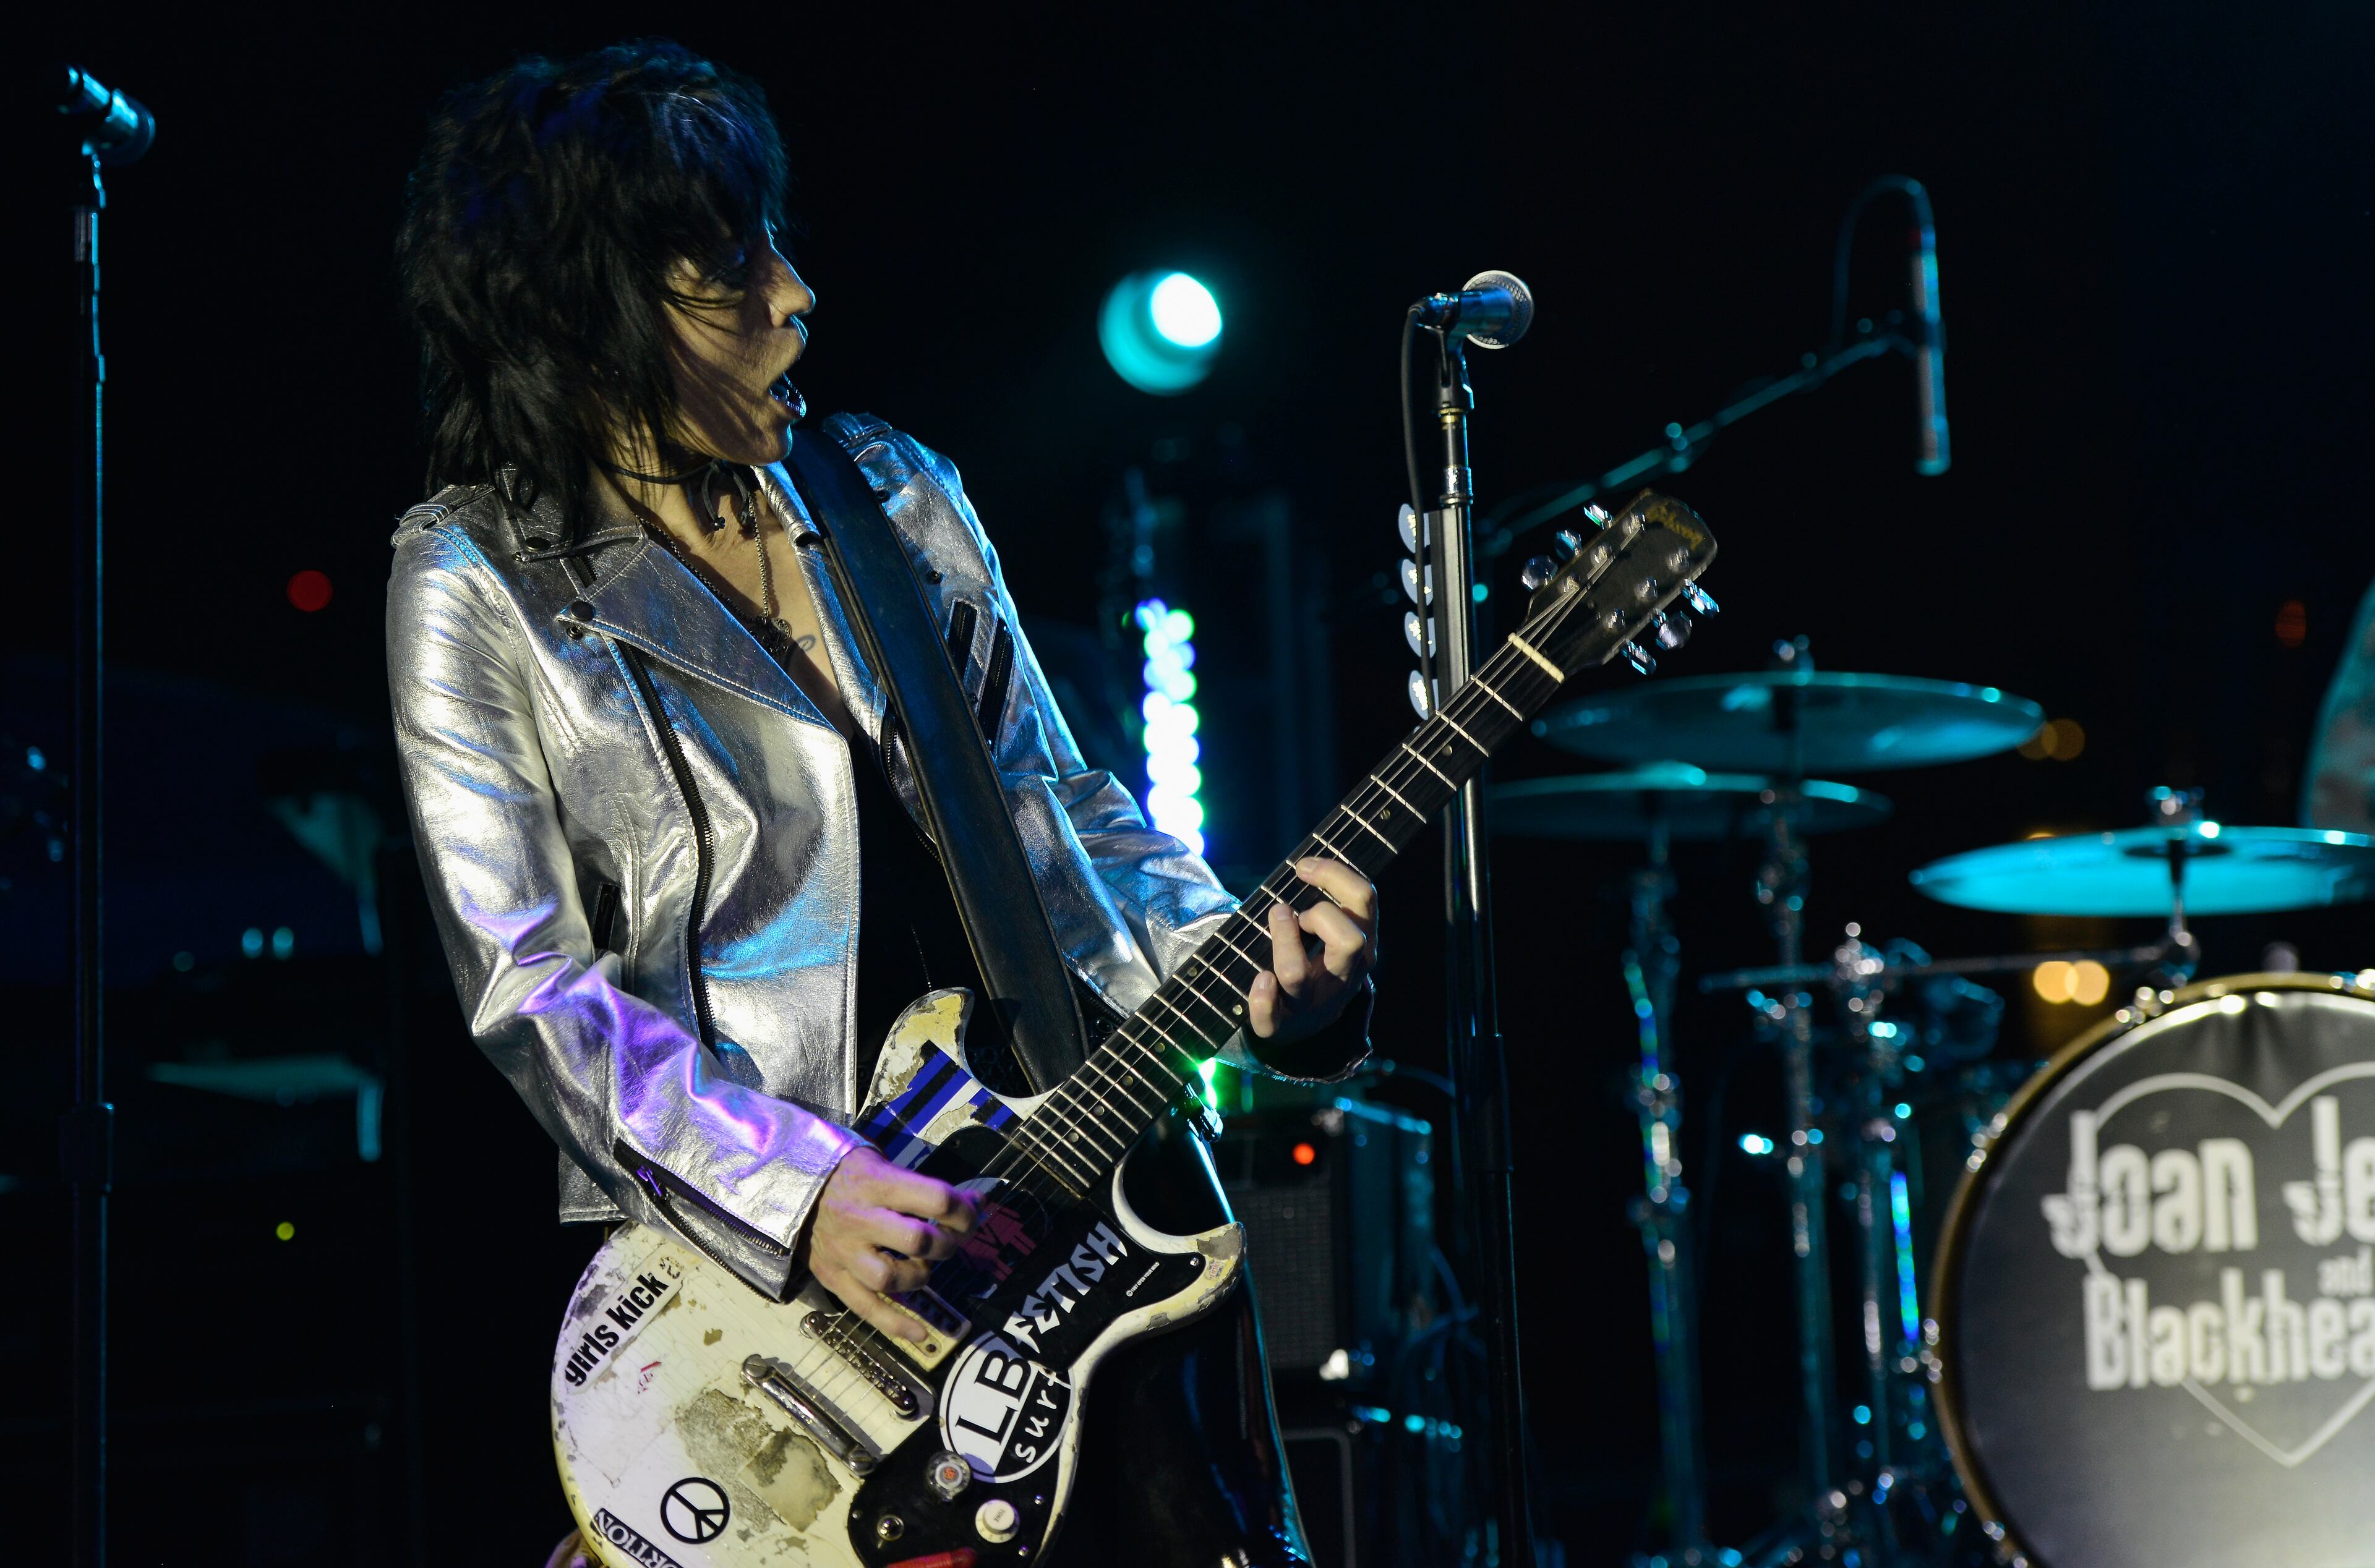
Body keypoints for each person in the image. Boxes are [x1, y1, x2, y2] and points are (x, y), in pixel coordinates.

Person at [387, 39, 1376, 1567]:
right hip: (777, 1298)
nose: (793, 294)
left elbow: (1065, 811)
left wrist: (1250, 970)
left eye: (772, 245)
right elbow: (534, 985)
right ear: (586, 321)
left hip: (1080, 1217)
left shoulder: (890, 489)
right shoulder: (478, 580)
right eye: (726, 271)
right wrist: (803, 1191)